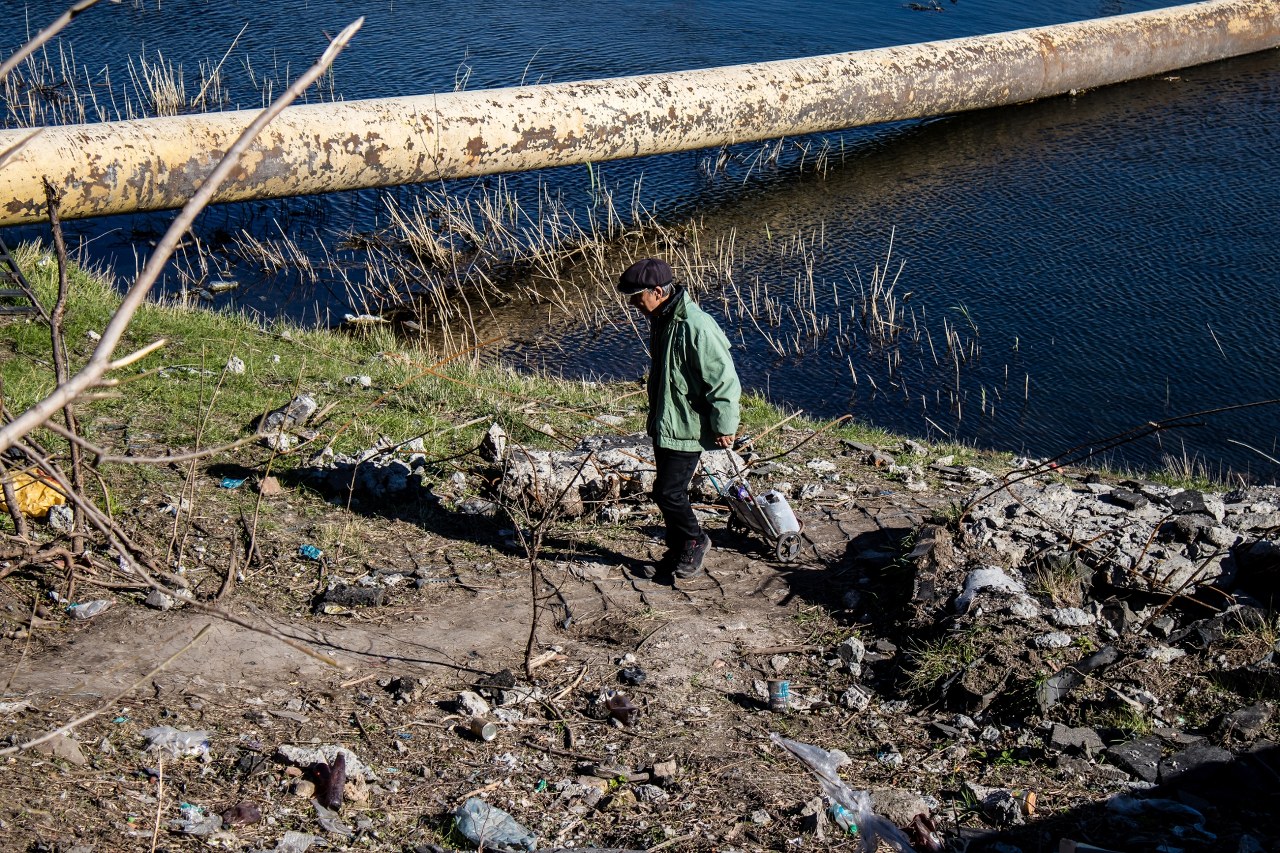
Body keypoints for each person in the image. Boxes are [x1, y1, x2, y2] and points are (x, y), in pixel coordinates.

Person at [617, 257, 741, 579]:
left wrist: (725, 426)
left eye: (637, 297)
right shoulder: (663, 318)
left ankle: (695, 540)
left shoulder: (696, 326)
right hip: (668, 424)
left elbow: (724, 381)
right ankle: (677, 551)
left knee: (668, 492)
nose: (633, 304)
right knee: (665, 490)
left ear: (658, 291)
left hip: (688, 426)